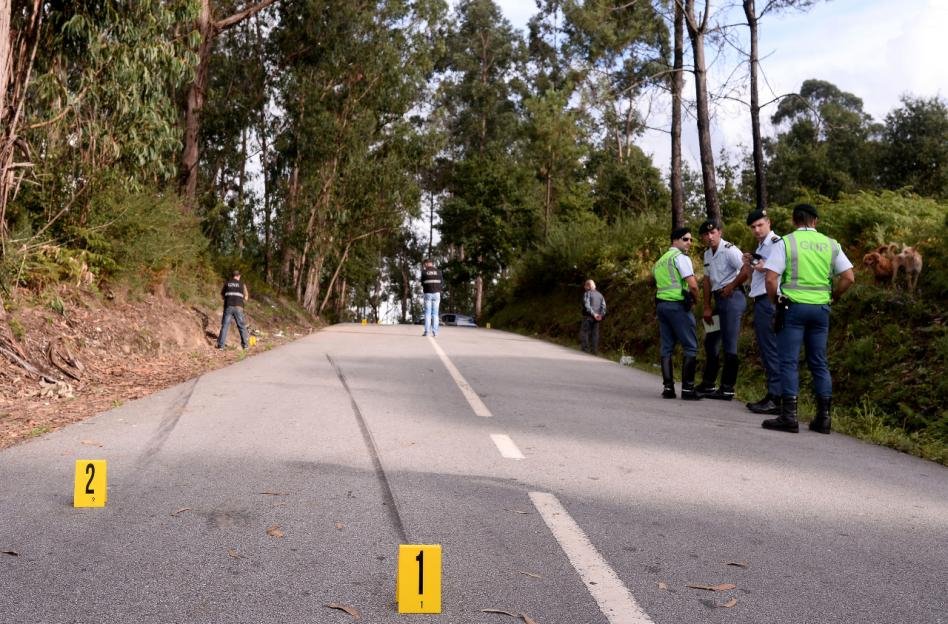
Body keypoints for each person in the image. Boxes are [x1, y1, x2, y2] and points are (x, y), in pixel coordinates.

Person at [761, 203, 854, 434]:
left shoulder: (786, 242)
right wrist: (833, 296)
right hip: (820, 310)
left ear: (794, 221)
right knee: (819, 362)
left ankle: (789, 416)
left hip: (792, 308)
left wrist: (775, 302)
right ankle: (824, 419)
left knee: (789, 361)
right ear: (816, 221)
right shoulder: (831, 244)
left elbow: (771, 279)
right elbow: (849, 277)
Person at [695, 219, 749, 400]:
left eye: (713, 233)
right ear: (702, 237)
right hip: (719, 301)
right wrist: (707, 306)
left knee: (729, 344)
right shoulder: (707, 254)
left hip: (732, 299)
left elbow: (745, 270)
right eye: (706, 234)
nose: (710, 237)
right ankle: (709, 384)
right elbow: (707, 281)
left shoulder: (730, 250)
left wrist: (732, 286)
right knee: (711, 341)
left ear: (720, 232)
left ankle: (727, 388)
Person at [653, 227, 702, 400]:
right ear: (675, 240)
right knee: (690, 346)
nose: (689, 242)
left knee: (666, 347)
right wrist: (696, 301)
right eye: (685, 239)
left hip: (662, 306)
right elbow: (693, 285)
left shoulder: (659, 261)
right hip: (678, 306)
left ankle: (668, 389)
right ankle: (688, 390)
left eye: (690, 239)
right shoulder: (680, 258)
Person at [743, 209, 783, 416]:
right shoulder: (762, 245)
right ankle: (774, 395)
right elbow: (757, 275)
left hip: (770, 300)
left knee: (771, 349)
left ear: (768, 222)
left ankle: (776, 397)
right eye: (753, 227)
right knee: (768, 349)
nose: (757, 230)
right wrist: (750, 264)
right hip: (761, 298)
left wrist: (763, 266)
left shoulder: (776, 243)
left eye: (760, 225)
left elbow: (780, 270)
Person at [217, 269, 249, 350]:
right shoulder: (242, 284)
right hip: (239, 307)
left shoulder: (227, 283)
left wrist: (228, 298)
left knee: (225, 326)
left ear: (232, 276)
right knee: (241, 326)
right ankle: (245, 345)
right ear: (239, 276)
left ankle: (221, 346)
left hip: (228, 306)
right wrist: (241, 298)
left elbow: (222, 296)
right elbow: (246, 297)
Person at [580, 279, 606, 355]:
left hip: (588, 317)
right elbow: (604, 307)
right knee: (595, 334)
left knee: (585, 332)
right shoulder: (600, 295)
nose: (584, 287)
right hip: (597, 318)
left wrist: (594, 314)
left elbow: (587, 305)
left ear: (588, 286)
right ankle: (594, 351)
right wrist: (600, 315)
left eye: (585, 285)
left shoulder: (587, 293)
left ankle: (585, 350)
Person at [420, 259, 443, 337]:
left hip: (428, 294)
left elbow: (422, 283)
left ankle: (426, 332)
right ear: (432, 264)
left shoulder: (424, 272)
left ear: (427, 263)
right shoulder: (439, 272)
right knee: (435, 314)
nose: (424, 265)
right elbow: (442, 283)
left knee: (427, 313)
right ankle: (435, 332)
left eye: (425, 264)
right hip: (437, 294)